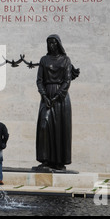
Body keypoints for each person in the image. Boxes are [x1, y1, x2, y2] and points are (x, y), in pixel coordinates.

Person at [36, 34, 78, 171]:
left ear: (58, 44)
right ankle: (45, 159)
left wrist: (57, 96)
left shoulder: (65, 60)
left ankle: (59, 161)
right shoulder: (44, 60)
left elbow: (67, 80)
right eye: (49, 43)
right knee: (44, 126)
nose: (51, 45)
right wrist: (44, 95)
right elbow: (39, 80)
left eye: (53, 43)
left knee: (60, 129)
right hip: (46, 95)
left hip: (61, 98)